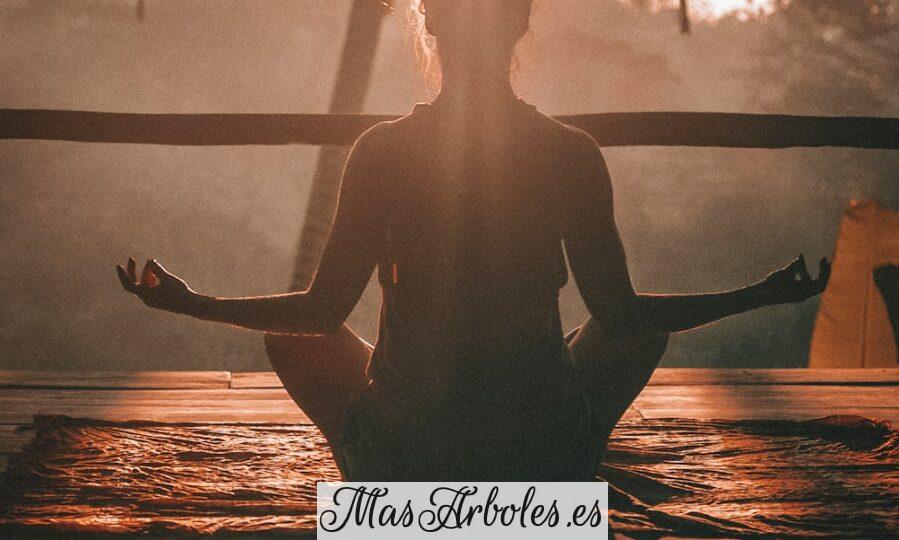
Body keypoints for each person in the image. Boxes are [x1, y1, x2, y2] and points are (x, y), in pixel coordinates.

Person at [117, 0, 829, 481]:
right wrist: (760, 295)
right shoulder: (568, 152)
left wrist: (194, 302)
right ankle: (571, 462)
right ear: (519, 22)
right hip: (536, 443)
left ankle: (376, 479)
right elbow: (621, 314)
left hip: (409, 448)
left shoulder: (382, 150)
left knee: (290, 339)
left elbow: (318, 311)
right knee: (635, 332)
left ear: (428, 25)